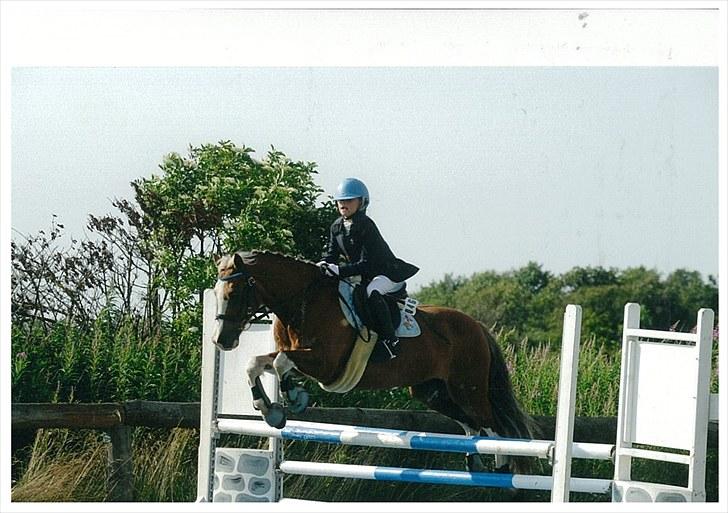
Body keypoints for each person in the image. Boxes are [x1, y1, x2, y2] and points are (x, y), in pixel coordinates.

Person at [318, 178, 419, 359]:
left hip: (386, 273)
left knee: (371, 291)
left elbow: (368, 264)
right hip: (364, 274)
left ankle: (390, 340)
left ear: (361, 202)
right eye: (341, 201)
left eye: (349, 200)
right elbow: (330, 255)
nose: (343, 204)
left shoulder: (366, 226)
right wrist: (322, 265)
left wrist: (339, 271)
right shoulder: (336, 226)